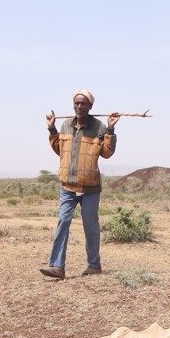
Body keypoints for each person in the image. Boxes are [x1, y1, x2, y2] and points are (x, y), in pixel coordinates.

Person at [40, 89, 119, 280]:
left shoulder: (98, 127)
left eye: (83, 103)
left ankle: (94, 265)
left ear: (90, 106)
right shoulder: (66, 125)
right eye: (76, 103)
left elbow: (107, 153)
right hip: (67, 185)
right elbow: (60, 149)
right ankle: (57, 267)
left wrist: (110, 129)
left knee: (90, 225)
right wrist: (52, 129)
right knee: (63, 222)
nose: (79, 106)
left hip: (90, 187)